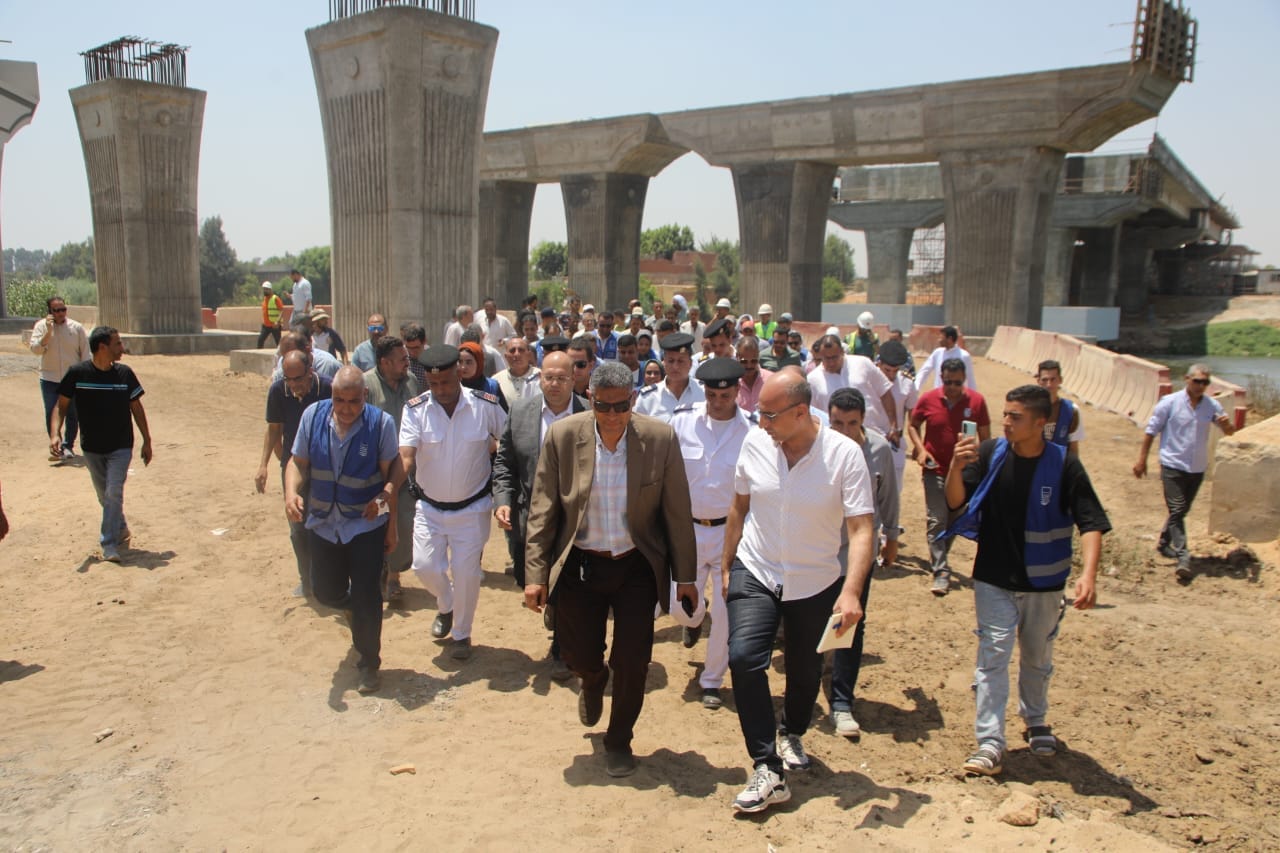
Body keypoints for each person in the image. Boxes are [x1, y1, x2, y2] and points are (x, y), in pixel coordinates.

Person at [523, 361, 698, 778]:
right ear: (591, 400)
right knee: (578, 655)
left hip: (636, 565)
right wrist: (535, 575)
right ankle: (592, 678)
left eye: (622, 406)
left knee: (633, 660)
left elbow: (677, 511)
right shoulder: (563, 436)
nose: (613, 415)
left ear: (633, 400)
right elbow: (543, 508)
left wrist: (686, 577)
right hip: (581, 565)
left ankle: (619, 740)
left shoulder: (659, 439)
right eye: (603, 406)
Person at [720, 372, 875, 814]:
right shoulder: (755, 443)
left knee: (806, 672)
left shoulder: (844, 455)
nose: (762, 423)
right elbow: (739, 506)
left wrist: (851, 591)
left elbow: (861, 529)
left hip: (815, 580)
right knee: (744, 657)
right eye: (760, 414)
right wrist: (727, 566)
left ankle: (792, 731)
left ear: (801, 413)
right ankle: (767, 767)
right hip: (757, 568)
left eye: (770, 415)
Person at [944, 385, 1110, 775]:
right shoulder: (990, 454)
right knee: (993, 657)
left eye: (1015, 417)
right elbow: (955, 501)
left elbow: (1091, 522)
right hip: (993, 578)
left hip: (1045, 583)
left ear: (1040, 423)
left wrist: (1088, 576)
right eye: (1004, 414)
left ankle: (1035, 720)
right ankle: (990, 742)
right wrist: (955, 465)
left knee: (1037, 657)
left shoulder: (1064, 465)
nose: (1005, 422)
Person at [286, 366, 402, 695]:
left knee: (368, 596)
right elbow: (297, 463)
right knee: (324, 592)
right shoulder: (313, 417)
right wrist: (291, 493)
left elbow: (391, 475)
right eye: (339, 400)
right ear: (332, 395)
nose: (346, 409)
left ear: (365, 396)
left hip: (365, 524)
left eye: (354, 401)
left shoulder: (380, 424)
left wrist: (390, 523)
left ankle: (369, 663)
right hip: (324, 523)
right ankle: (351, 608)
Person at [398, 346, 507, 661]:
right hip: (429, 507)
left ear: (459, 373)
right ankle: (446, 604)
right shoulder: (415, 409)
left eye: (446, 382)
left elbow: (510, 440)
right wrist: (390, 486)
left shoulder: (484, 406)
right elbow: (406, 456)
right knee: (424, 567)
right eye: (434, 384)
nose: (440, 389)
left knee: (466, 574)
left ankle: (461, 634)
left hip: (472, 508)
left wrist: (497, 456)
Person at [492, 351, 586, 680]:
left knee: (567, 583)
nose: (555, 384)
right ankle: (552, 605)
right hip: (529, 515)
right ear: (539, 378)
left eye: (562, 378)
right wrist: (502, 499)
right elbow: (505, 463)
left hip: (573, 518)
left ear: (573, 380)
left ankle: (561, 648)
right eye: (549, 377)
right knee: (526, 575)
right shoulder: (520, 411)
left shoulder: (589, 413)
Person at [668, 358, 753, 710]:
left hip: (729, 533)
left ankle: (712, 681)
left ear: (737, 391)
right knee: (678, 607)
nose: (718, 402)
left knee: (725, 611)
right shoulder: (682, 422)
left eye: (725, 395)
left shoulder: (752, 431)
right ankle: (693, 620)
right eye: (712, 395)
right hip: (687, 530)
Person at [826, 388, 899, 738]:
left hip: (857, 552)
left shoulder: (879, 451)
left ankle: (841, 702)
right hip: (819, 550)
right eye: (837, 423)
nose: (844, 431)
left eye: (851, 424)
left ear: (863, 422)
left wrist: (892, 539)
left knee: (850, 624)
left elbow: (888, 497)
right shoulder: (816, 447)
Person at [50, 326, 153, 562]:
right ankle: (121, 527)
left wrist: (147, 440)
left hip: (121, 446)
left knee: (113, 491)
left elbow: (137, 408)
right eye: (118, 343)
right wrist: (55, 434)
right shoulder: (78, 373)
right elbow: (61, 406)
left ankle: (109, 544)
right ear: (102, 347)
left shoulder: (125, 374)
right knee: (105, 496)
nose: (122, 348)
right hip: (92, 447)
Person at [1134, 364, 1235, 581]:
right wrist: (1142, 460)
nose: (1200, 386)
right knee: (1178, 508)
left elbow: (1229, 432)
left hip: (1196, 468)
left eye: (1205, 382)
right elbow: (1151, 431)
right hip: (1172, 465)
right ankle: (1183, 556)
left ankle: (1164, 543)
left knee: (1180, 511)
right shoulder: (1169, 403)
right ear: (1186, 379)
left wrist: (1227, 426)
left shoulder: (1211, 406)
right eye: (1197, 381)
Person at [907, 357, 990, 596]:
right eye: (948, 382)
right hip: (934, 468)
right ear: (941, 378)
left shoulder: (977, 402)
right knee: (936, 519)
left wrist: (981, 462)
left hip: (964, 472)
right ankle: (941, 571)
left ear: (964, 380)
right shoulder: (928, 399)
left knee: (954, 520)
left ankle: (940, 556)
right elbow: (913, 425)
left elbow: (986, 437)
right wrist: (921, 450)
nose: (952, 387)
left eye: (957, 382)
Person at [255, 349, 333, 596]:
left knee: (326, 522)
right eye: (288, 379)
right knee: (298, 525)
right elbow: (274, 429)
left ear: (310, 371)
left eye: (298, 379)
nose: (294, 385)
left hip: (325, 465)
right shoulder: (278, 391)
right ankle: (307, 580)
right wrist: (263, 465)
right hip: (294, 465)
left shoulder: (328, 389)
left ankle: (329, 577)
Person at [364, 336, 420, 600]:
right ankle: (382, 574)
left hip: (407, 471)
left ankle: (394, 573)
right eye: (402, 359)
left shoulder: (412, 382)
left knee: (404, 524)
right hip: (376, 471)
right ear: (385, 362)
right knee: (377, 521)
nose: (407, 362)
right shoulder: (366, 385)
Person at [806, 335, 899, 444]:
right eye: (826, 358)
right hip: (837, 443)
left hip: (873, 437)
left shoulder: (863, 363)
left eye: (834, 357)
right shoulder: (812, 380)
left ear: (842, 352)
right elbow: (813, 416)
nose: (831, 362)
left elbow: (885, 393)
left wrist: (893, 426)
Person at [30, 295, 89, 460]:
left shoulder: (76, 328)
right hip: (49, 378)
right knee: (51, 413)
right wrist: (48, 333)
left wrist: (85, 376)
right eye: (56, 310)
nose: (61, 313)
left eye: (63, 309)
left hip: (72, 379)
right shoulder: (41, 326)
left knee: (72, 414)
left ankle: (68, 446)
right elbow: (35, 350)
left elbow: (85, 354)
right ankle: (56, 447)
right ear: (50, 311)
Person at [876, 340, 919, 494]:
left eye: (895, 370)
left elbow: (913, 418)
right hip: (871, 442)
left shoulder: (907, 383)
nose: (891, 375)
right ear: (879, 364)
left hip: (895, 443)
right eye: (887, 370)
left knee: (893, 493)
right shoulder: (867, 380)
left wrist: (917, 445)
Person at [635, 333, 705, 421]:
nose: (675, 366)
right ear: (664, 363)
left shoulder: (704, 392)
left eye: (681, 361)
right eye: (671, 361)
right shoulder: (648, 398)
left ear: (690, 363)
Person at [1036, 360, 1084, 456]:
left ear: (1060, 380)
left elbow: (1073, 447)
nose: (1049, 385)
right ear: (1038, 381)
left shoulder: (1071, 410)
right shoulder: (1028, 408)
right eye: (1044, 380)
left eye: (1053, 379)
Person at [915, 325, 977, 392]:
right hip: (939, 394)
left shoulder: (964, 356)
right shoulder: (937, 353)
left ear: (949, 339)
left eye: (941, 337)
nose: (939, 340)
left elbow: (970, 379)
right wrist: (916, 387)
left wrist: (973, 395)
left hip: (957, 395)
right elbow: (924, 370)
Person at [272, 330, 341, 382]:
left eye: (294, 356)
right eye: (284, 357)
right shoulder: (282, 366)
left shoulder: (327, 366)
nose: (289, 360)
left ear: (307, 350)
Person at [493, 336, 540, 405]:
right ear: (506, 356)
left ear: (529, 355)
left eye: (521, 350)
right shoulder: (496, 381)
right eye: (512, 351)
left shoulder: (541, 377)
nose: (517, 354)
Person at [734, 336, 771, 414]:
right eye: (744, 362)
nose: (749, 366)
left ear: (758, 356)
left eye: (753, 361)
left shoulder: (771, 380)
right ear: (737, 357)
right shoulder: (731, 382)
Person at [458, 341, 502, 405]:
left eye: (468, 362)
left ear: (479, 363)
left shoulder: (491, 387)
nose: (463, 367)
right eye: (460, 362)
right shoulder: (452, 386)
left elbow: (501, 410)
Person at [257, 282, 285, 349]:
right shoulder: (265, 299)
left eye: (267, 289)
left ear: (270, 290)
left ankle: (281, 354)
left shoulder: (275, 298)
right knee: (260, 340)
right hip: (266, 325)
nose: (265, 291)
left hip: (274, 325)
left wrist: (277, 321)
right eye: (264, 289)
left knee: (278, 342)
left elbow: (281, 310)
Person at [400, 322, 428, 387]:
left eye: (416, 348)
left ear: (424, 341)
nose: (411, 352)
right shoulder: (399, 356)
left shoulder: (432, 359)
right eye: (408, 348)